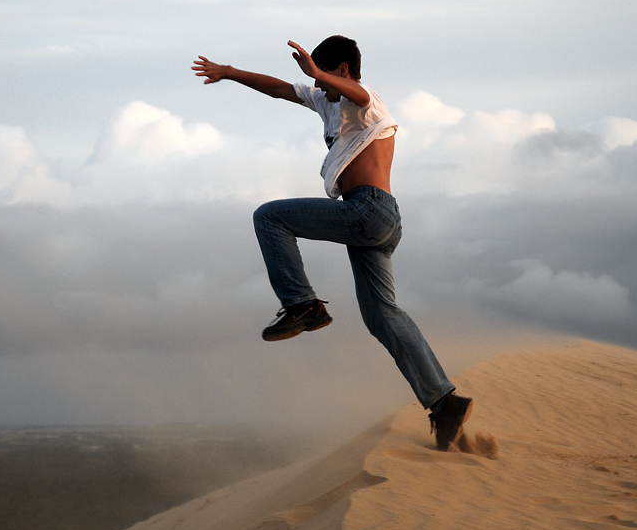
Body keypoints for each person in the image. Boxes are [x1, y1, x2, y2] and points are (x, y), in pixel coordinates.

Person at [192, 36, 472, 451]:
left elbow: (355, 91)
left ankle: (303, 305)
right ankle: (444, 402)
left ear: (341, 69)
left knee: (269, 217)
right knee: (382, 315)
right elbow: (280, 88)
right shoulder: (327, 103)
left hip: (370, 211)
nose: (317, 88)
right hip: (374, 221)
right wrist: (230, 73)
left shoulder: (366, 100)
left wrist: (320, 75)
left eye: (323, 79)